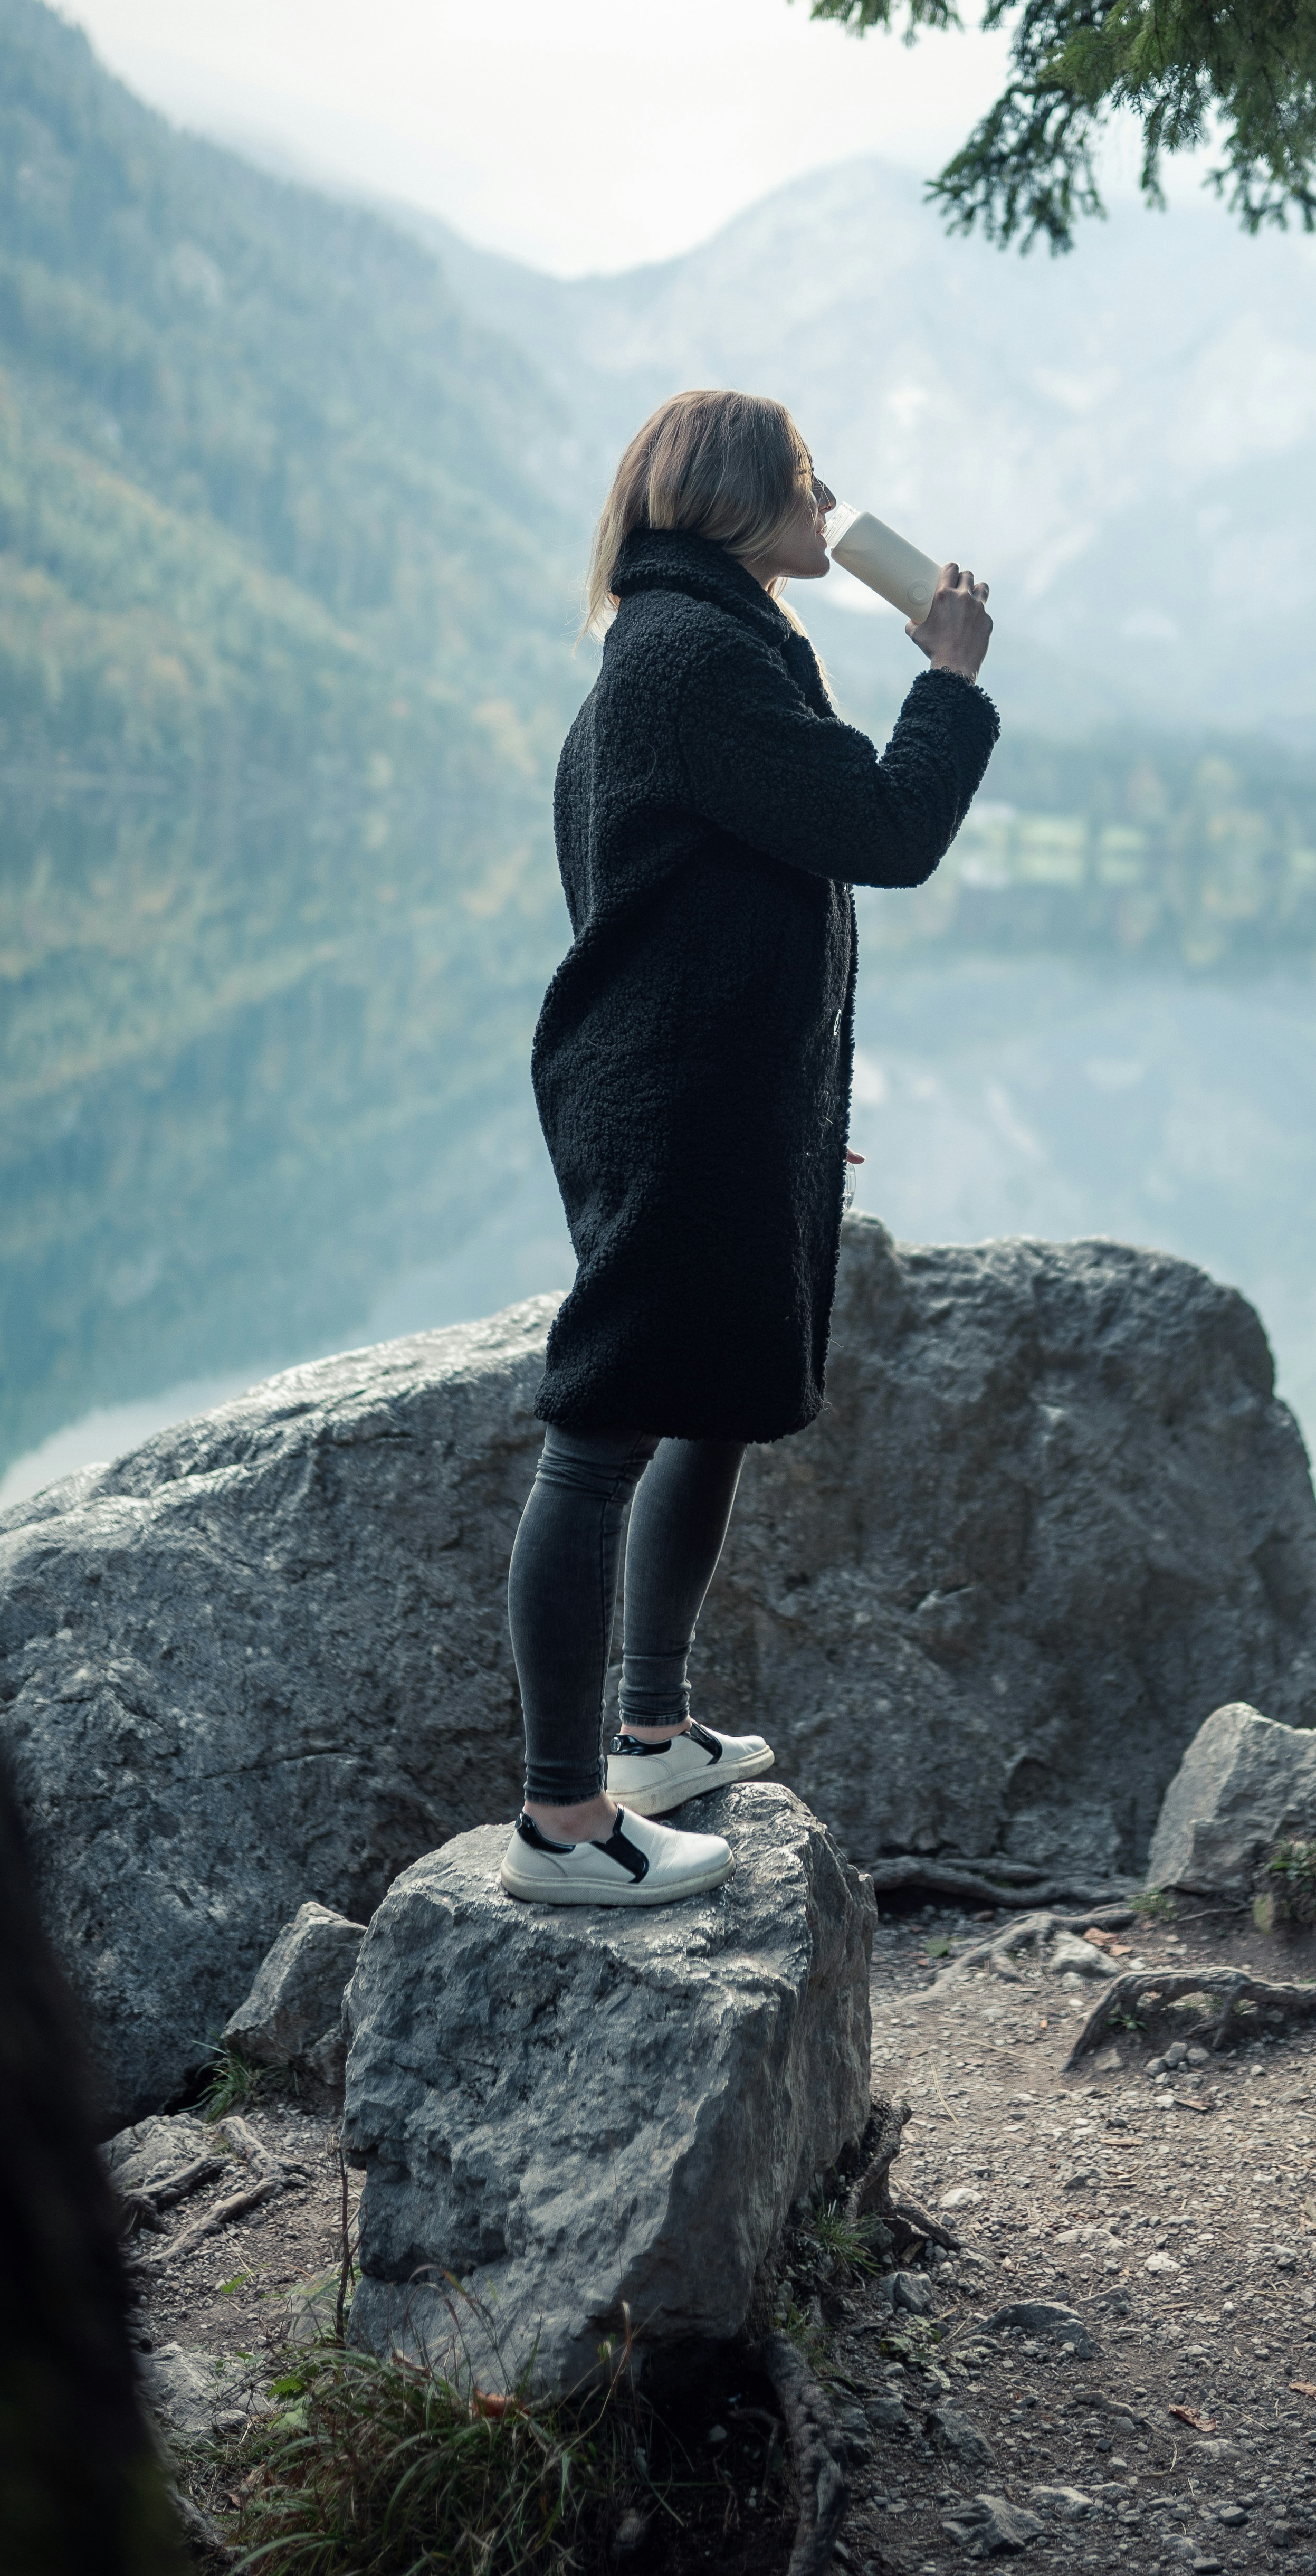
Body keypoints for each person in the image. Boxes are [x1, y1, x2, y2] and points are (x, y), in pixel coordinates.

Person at [501, 387, 997, 1905]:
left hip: (711, 1093)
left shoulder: (700, 646)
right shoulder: (691, 656)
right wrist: (954, 679)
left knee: (711, 1400)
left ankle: (651, 1733)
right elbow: (890, 831)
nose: (829, 500)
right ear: (733, 502)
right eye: (803, 478)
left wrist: (785, 1112)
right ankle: (561, 1824)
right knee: (602, 1437)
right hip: (672, 1099)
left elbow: (737, 898)